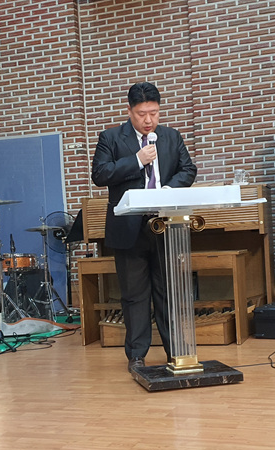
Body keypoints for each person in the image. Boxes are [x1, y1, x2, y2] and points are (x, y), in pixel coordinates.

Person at [91, 82, 197, 372]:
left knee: (168, 292)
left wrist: (168, 190)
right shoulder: (111, 138)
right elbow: (100, 174)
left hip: (166, 225)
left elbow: (188, 170)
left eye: (154, 113)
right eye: (142, 114)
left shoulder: (171, 137)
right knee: (134, 296)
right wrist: (137, 160)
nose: (149, 120)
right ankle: (137, 355)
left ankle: (176, 351)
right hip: (129, 228)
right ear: (129, 111)